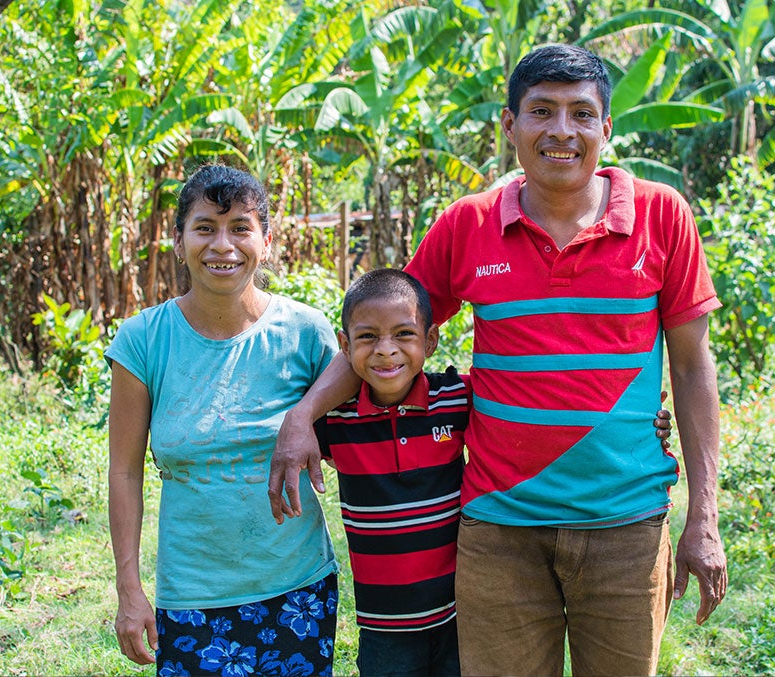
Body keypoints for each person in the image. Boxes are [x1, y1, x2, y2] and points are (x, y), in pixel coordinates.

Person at [269, 42, 726, 676]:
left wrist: (703, 517)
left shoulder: (661, 214)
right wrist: (303, 417)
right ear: (509, 126)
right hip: (498, 530)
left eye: (580, 113)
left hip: (626, 526)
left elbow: (693, 368)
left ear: (606, 128)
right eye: (541, 111)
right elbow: (388, 330)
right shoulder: (468, 224)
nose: (562, 131)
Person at [107, 164, 339, 676]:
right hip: (191, 593)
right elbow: (124, 472)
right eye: (205, 227)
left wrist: (303, 414)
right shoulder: (143, 340)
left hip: (298, 588)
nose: (223, 245)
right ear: (179, 240)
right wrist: (129, 589)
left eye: (240, 227)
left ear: (267, 240)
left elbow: (354, 393)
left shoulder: (306, 333)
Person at [314, 268, 469, 676]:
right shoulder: (334, 419)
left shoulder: (455, 401)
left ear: (430, 341)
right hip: (383, 627)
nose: (386, 350)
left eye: (403, 334)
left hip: (461, 614)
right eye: (368, 337)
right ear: (345, 345)